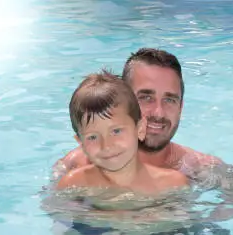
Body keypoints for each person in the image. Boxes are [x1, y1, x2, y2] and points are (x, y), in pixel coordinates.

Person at [53, 48, 233, 205]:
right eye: (146, 97)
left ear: (181, 107)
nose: (158, 113)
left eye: (169, 100)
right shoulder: (75, 166)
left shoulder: (199, 168)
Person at [57, 69, 189, 195]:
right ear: (81, 143)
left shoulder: (172, 184)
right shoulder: (73, 185)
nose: (107, 145)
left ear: (140, 129)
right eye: (92, 137)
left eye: (116, 131)